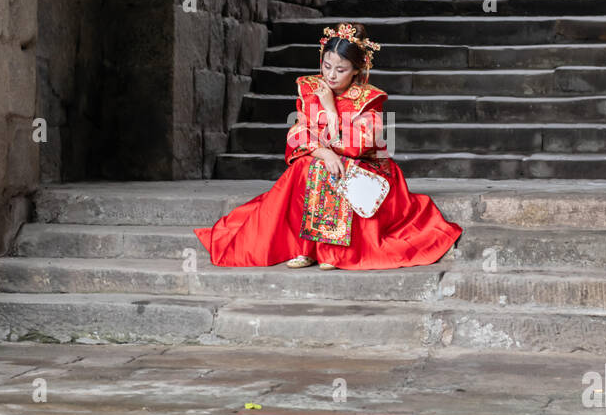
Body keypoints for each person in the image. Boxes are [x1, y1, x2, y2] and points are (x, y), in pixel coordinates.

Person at [194, 22, 462, 269]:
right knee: (307, 167)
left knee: (334, 169)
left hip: (365, 164)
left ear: (357, 69)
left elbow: (359, 145)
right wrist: (323, 152)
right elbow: (299, 133)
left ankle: (331, 249)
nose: (331, 76)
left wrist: (332, 113)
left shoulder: (369, 99)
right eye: (327, 66)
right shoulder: (310, 90)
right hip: (325, 157)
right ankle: (307, 247)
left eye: (341, 69)